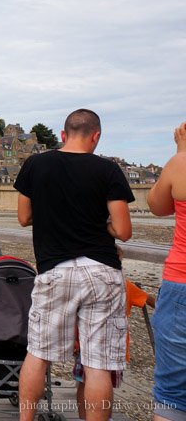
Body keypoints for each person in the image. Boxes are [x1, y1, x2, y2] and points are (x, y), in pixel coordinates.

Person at [13, 109, 133, 421]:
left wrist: (55, 216)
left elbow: (24, 217)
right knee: (97, 363)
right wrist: (99, 226)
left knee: (38, 354)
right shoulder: (109, 170)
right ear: (96, 137)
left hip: (55, 270)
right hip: (101, 271)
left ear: (63, 135)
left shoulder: (36, 164)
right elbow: (123, 231)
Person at [73, 248, 156, 419]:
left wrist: (73, 340)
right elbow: (149, 300)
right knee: (105, 382)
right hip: (113, 342)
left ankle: (84, 417)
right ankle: (105, 417)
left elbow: (73, 314)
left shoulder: (85, 282)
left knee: (84, 382)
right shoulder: (125, 284)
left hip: (85, 340)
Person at [146, 120, 186, 421]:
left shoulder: (181, 163)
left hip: (182, 282)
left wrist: (181, 152)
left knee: (172, 397)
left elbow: (157, 205)